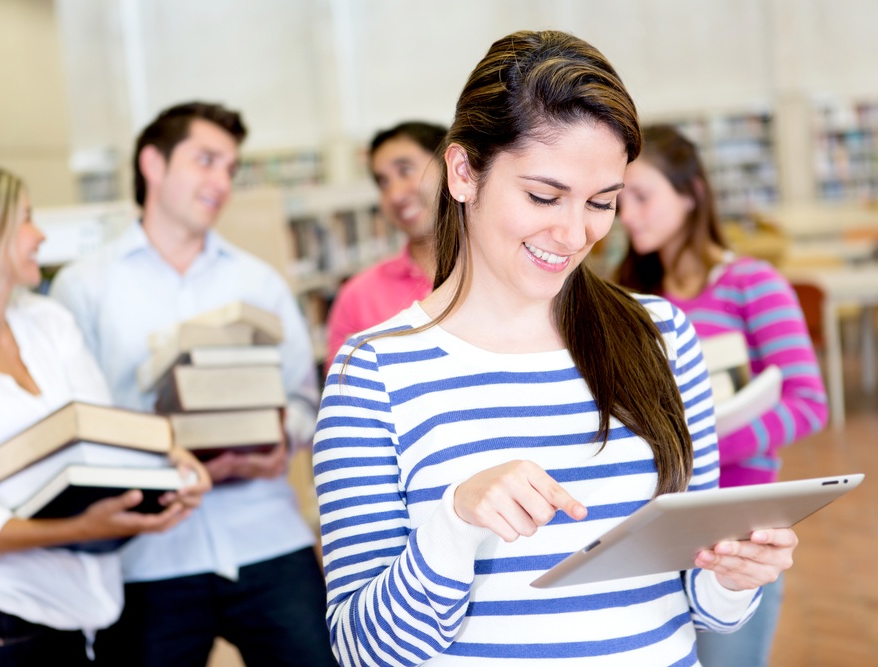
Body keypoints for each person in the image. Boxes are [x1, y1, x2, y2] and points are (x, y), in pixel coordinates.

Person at [313, 30, 800, 666]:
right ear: (464, 173)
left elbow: (697, 600)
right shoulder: (371, 371)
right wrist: (455, 525)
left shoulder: (662, 337)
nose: (574, 234)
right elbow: (362, 650)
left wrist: (736, 575)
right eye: (544, 196)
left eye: (603, 203)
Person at [50, 102, 336, 667]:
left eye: (230, 168)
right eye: (206, 161)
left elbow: (305, 398)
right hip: (151, 554)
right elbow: (74, 421)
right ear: (152, 164)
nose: (221, 182)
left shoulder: (260, 282)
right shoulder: (83, 289)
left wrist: (280, 443)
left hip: (269, 540)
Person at [0, 164, 210, 666]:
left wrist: (172, 464)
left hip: (90, 613)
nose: (39, 235)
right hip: (7, 626)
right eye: (25, 219)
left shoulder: (48, 323)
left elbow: (104, 435)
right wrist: (79, 528)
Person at [615, 124, 828, 667]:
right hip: (654, 522)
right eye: (617, 201)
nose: (628, 215)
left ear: (691, 193)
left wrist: (701, 448)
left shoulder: (751, 283)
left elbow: (807, 402)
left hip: (736, 524)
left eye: (642, 196)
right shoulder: (631, 300)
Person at [325, 121, 446, 364]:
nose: (395, 195)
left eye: (405, 171)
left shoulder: (501, 274)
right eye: (383, 183)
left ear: (452, 165)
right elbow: (344, 395)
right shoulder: (357, 298)